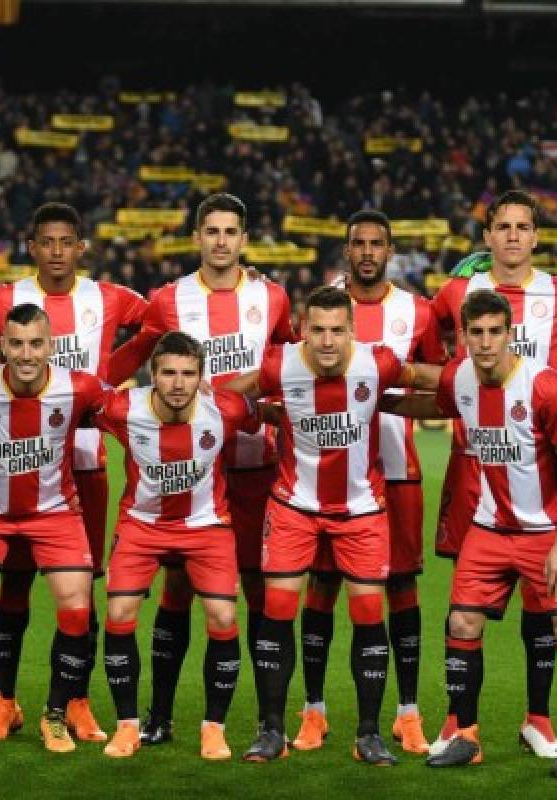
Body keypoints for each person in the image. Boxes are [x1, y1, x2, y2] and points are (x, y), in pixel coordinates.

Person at [106, 192, 297, 744]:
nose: (220, 241)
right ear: (196, 238)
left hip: (259, 466)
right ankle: (160, 717)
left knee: (262, 593)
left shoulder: (272, 296)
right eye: (210, 231)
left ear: (243, 239)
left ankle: (269, 723)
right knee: (177, 593)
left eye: (230, 232)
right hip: (188, 473)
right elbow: (135, 355)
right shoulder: (168, 301)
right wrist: (88, 386)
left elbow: (289, 362)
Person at [381, 289, 557, 778]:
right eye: (475, 333)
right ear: (463, 338)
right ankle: (467, 737)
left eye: (494, 332)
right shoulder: (459, 378)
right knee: (461, 625)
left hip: (547, 532)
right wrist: (377, 402)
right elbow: (437, 407)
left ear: (510, 334)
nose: (485, 342)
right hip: (489, 527)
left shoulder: (544, 386)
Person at [222, 285, 438, 765]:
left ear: (352, 331)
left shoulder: (376, 363)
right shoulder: (281, 365)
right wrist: (254, 411)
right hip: (294, 507)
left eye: (337, 330)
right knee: (277, 611)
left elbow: (428, 378)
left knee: (367, 617)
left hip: (361, 511)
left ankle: (368, 735)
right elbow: (231, 392)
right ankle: (272, 731)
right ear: (302, 329)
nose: (326, 341)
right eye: (317, 330)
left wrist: (479, 380)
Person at [427, 190, 557, 758]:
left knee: (548, 613)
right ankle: (459, 727)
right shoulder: (456, 293)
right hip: (476, 472)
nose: (512, 237)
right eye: (502, 227)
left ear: (536, 236)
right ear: (487, 236)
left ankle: (540, 720)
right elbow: (427, 349)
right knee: (463, 614)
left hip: (541, 472)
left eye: (523, 227)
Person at [0, 202, 147, 744]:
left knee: (81, 591)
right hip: (19, 468)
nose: (56, 251)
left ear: (80, 247)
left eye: (65, 242)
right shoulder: (2, 300)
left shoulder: (111, 298)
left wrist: (107, 375)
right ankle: (5, 702)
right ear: (32, 246)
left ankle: (75, 701)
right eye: (45, 242)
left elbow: (160, 324)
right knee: (16, 585)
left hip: (86, 464)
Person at [295, 210, 447, 755]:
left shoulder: (418, 312)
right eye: (357, 242)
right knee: (323, 586)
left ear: (390, 250)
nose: (365, 251)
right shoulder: (320, 309)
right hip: (328, 473)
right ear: (346, 249)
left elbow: (446, 390)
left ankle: (407, 713)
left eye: (375, 243)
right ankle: (314, 711)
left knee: (401, 586)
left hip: (398, 468)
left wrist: (392, 401)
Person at [0, 304, 107, 754]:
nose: (26, 354)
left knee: (76, 603)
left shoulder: (80, 388)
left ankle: (54, 714)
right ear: (1, 347)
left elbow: (131, 412)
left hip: (54, 512)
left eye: (36, 343)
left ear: (51, 345)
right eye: (16, 344)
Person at [96, 332, 259, 761]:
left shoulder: (224, 410)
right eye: (168, 372)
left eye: (188, 373)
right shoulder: (122, 409)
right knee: (118, 613)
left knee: (223, 616)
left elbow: (259, 410)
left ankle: (214, 729)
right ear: (152, 375)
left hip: (206, 526)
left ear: (202, 377)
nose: (178, 383)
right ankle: (127, 726)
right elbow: (84, 399)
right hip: (142, 525)